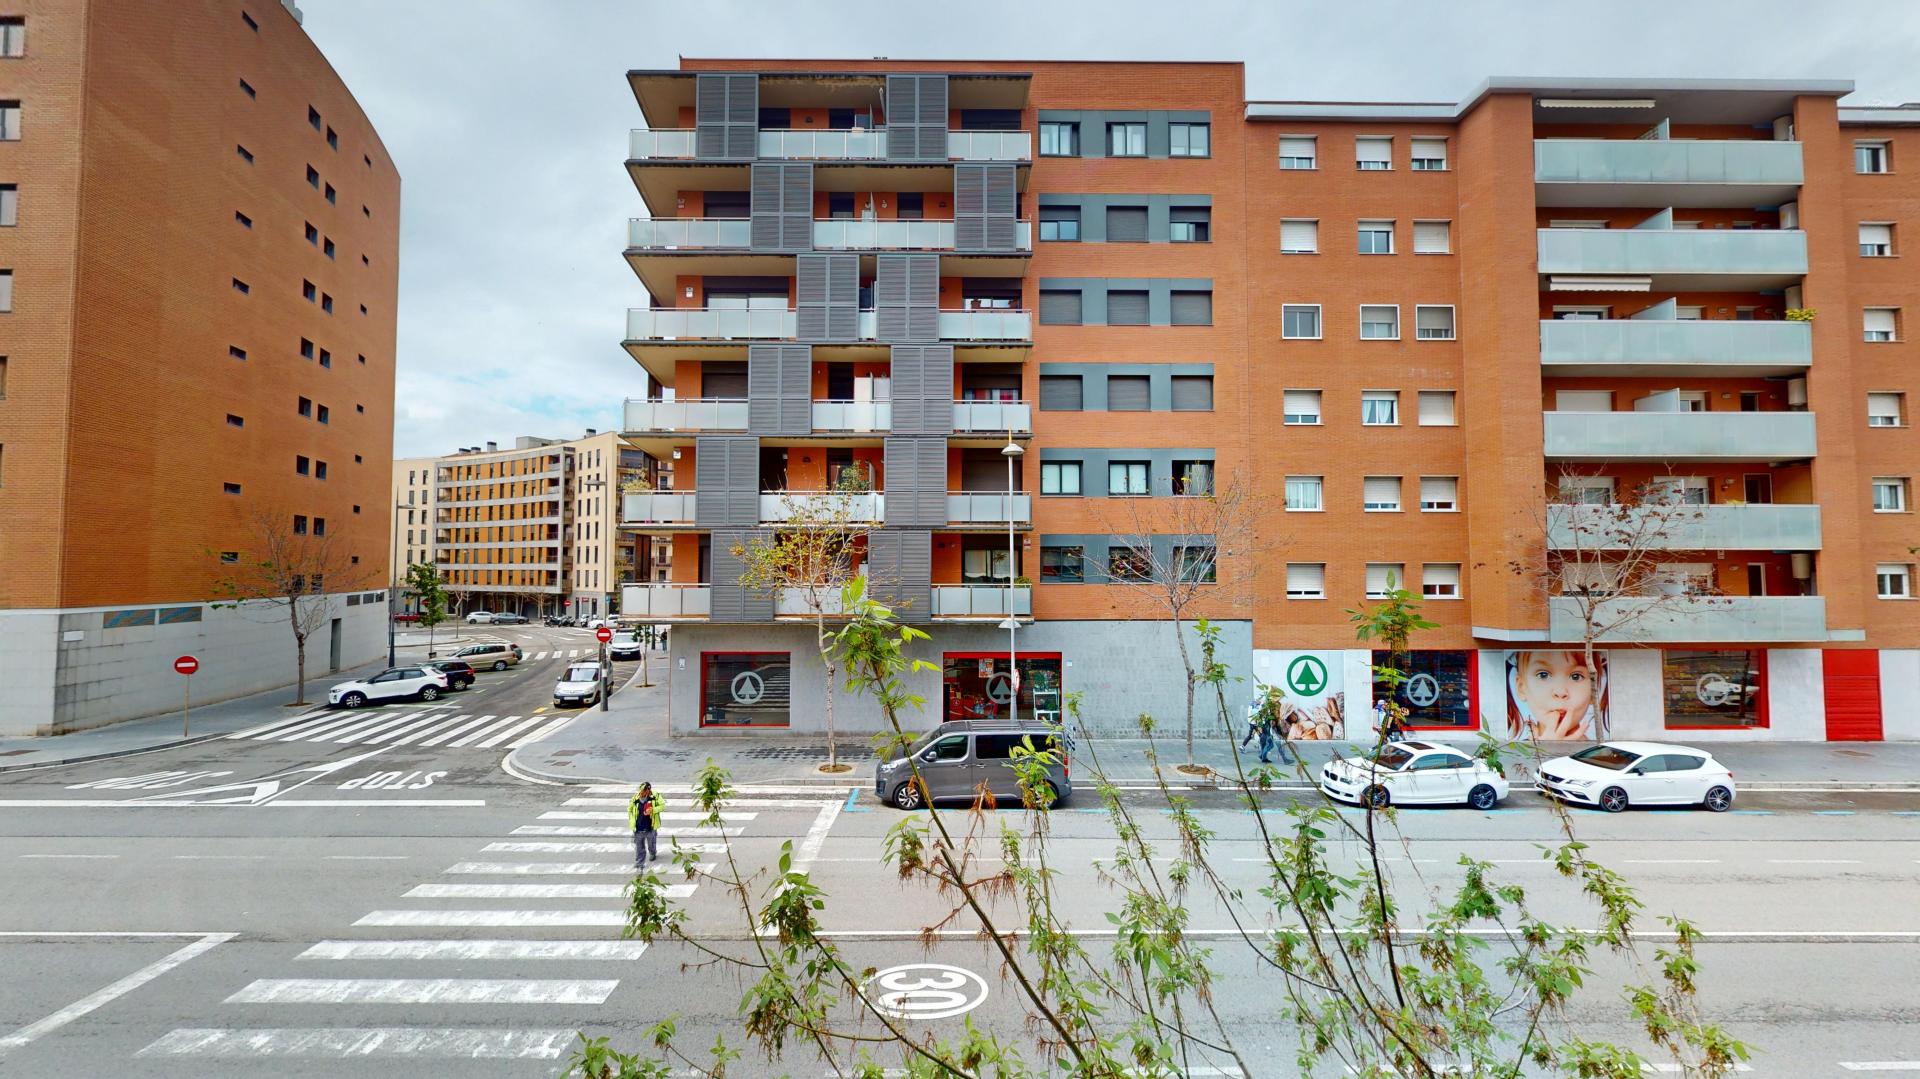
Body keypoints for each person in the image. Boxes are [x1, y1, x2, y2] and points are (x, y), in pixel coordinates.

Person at [1506, 650, 1607, 741]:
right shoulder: (1513, 754)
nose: (1560, 692)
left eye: (1576, 677)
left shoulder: (1604, 753)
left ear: (1593, 690)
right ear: (1521, 687)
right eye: (1543, 675)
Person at [1241, 686, 1293, 765]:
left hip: (1267, 728)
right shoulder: (1265, 706)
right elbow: (1271, 718)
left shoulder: (1264, 705)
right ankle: (1275, 758)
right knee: (1273, 744)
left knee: (1270, 744)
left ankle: (1263, 756)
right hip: (1268, 728)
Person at [628, 782, 661, 867]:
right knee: (639, 847)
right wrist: (632, 822)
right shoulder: (635, 798)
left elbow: (663, 806)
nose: (641, 792)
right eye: (641, 790)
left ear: (648, 790)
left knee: (651, 845)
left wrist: (653, 810)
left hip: (650, 827)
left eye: (643, 790)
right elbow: (629, 809)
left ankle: (653, 853)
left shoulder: (655, 797)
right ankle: (639, 863)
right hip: (638, 828)